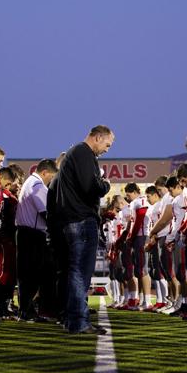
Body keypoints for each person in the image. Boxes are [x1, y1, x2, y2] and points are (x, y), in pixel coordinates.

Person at [56, 126, 113, 334]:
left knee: (76, 271)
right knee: (81, 272)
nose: (107, 149)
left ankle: (73, 319)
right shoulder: (83, 152)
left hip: (73, 220)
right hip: (81, 219)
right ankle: (79, 321)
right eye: (107, 144)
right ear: (98, 137)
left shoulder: (76, 153)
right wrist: (105, 184)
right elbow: (92, 187)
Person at [15, 159, 58, 321]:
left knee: (29, 274)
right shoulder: (37, 186)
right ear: (45, 172)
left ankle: (28, 310)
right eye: (51, 177)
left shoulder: (31, 183)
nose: (51, 180)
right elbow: (45, 212)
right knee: (32, 274)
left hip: (28, 233)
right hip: (32, 234)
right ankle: (27, 311)